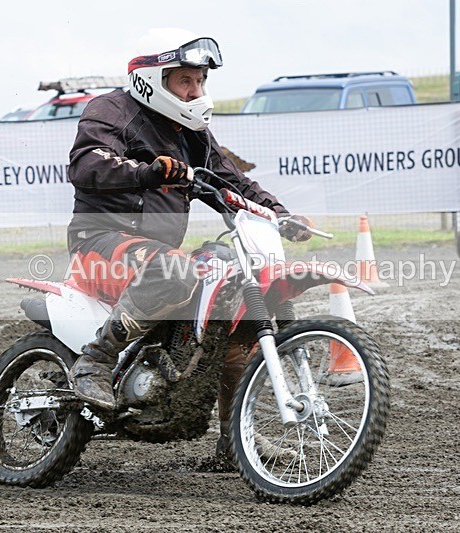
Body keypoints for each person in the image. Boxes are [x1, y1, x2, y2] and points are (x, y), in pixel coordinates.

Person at [65, 28, 312, 451]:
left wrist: (279, 214)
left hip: (156, 253)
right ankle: (96, 360)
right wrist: (147, 172)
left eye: (201, 81)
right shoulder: (110, 110)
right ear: (154, 79)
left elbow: (230, 178)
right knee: (176, 269)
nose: (196, 90)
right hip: (100, 242)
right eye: (186, 80)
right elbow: (86, 165)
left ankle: (235, 439)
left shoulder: (190, 132)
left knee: (234, 285)